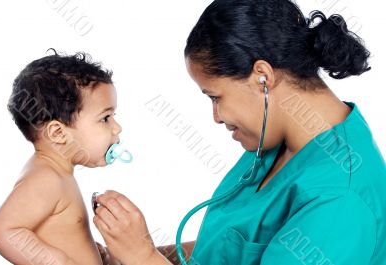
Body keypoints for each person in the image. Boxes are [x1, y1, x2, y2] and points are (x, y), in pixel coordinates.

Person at [93, 0, 386, 264]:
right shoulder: (274, 139)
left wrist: (142, 257)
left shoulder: (340, 199)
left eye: (215, 97)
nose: (216, 117)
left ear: (263, 76)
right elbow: (232, 247)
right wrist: (139, 252)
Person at [0, 50, 122, 265]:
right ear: (58, 133)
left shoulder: (58, 173)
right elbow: (4, 232)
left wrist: (98, 255)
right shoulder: (46, 177)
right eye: (105, 118)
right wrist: (58, 261)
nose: (117, 128)